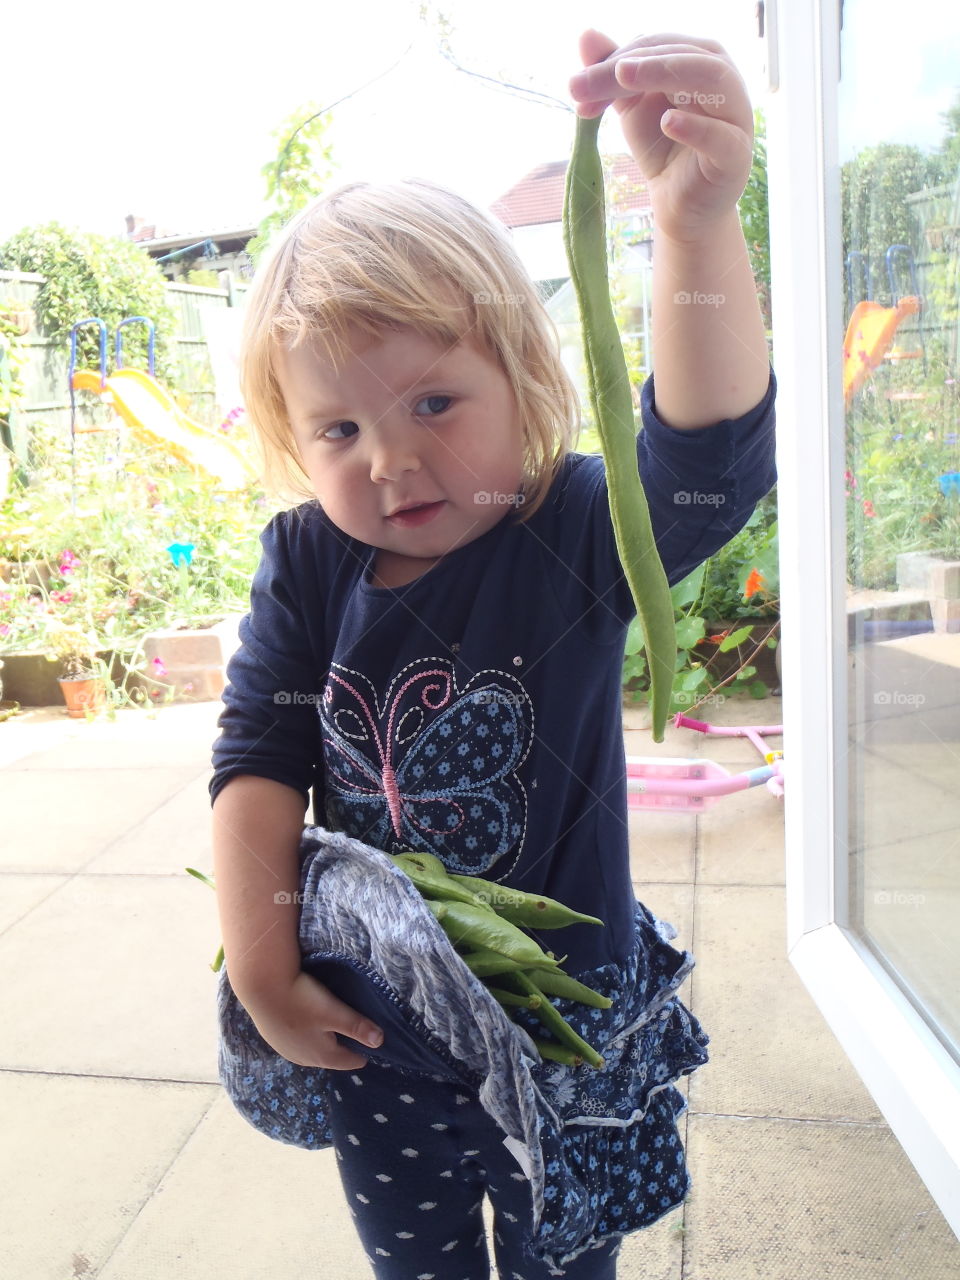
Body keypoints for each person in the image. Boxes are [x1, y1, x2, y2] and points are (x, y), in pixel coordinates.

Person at [210, 27, 776, 1280]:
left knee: (565, 1263)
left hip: (562, 1031)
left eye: (433, 403)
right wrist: (261, 960)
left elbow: (707, 461)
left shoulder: (572, 533)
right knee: (416, 1265)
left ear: (521, 377)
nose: (388, 458)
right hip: (383, 1029)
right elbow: (260, 758)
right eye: (339, 425)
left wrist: (695, 229)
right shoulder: (310, 560)